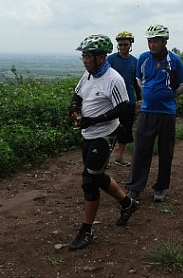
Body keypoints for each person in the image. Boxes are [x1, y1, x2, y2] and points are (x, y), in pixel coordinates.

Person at [66, 34, 140, 250]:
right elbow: (78, 95)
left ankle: (86, 230)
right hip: (88, 134)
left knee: (89, 180)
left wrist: (95, 120)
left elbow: (122, 108)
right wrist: (74, 109)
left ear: (100, 57)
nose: (84, 60)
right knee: (96, 176)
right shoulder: (88, 74)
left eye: (88, 56)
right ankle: (128, 203)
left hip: (105, 134)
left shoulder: (113, 79)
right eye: (83, 56)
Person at [125, 24, 183, 203]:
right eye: (150, 41)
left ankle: (160, 187)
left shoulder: (174, 60)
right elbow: (140, 80)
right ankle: (134, 187)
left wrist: (168, 96)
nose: (152, 45)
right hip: (147, 111)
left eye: (156, 41)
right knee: (141, 150)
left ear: (164, 42)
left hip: (167, 112)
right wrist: (150, 95)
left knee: (166, 151)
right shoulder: (143, 58)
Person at [107, 31, 142, 167]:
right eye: (120, 44)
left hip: (129, 101)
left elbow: (136, 83)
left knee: (125, 129)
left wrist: (139, 99)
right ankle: (105, 158)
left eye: (125, 44)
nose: (122, 47)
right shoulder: (110, 60)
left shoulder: (135, 62)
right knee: (109, 129)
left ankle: (119, 157)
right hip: (112, 101)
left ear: (130, 45)